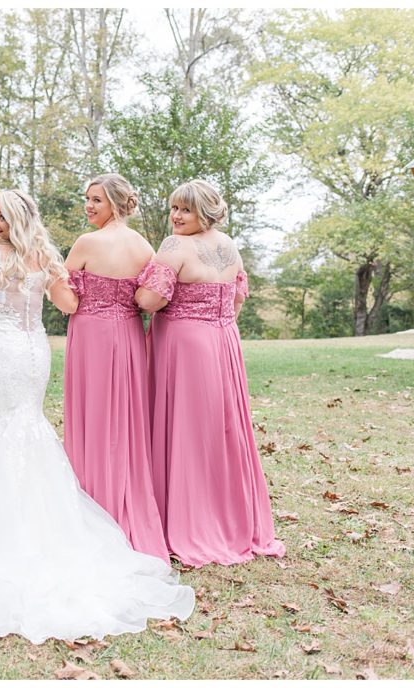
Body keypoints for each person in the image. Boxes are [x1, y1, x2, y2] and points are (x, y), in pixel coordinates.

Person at [0, 190, 195, 644]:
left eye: (0, 215)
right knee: (25, 428)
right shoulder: (44, 255)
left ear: (16, 219)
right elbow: (69, 305)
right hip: (32, 353)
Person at [135, 179, 285, 567]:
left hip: (185, 345)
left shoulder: (174, 246)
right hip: (223, 341)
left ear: (205, 211)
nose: (175, 217)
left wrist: (134, 291)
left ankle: (190, 520)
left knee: (187, 429)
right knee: (219, 429)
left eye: (185, 209)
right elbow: (236, 301)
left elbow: (151, 300)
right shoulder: (229, 244)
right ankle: (230, 517)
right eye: (173, 209)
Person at [58, 173, 171, 562]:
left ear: (116, 204)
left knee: (93, 415)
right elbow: (149, 298)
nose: (89, 206)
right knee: (123, 419)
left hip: (91, 334)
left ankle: (91, 504)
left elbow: (67, 301)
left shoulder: (87, 242)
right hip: (128, 335)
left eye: (96, 200)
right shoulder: (144, 246)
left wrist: (48, 275)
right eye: (87, 199)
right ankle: (124, 499)